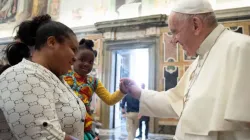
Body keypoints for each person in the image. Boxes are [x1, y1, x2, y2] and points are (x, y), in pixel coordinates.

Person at [119, 0, 250, 140]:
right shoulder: (199, 61)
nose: (173, 41)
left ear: (196, 25)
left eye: (175, 32)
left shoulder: (241, 49)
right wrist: (139, 93)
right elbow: (175, 101)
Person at [0, 14, 86, 140]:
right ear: (52, 42)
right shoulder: (23, 75)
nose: (75, 58)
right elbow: (44, 137)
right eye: (73, 49)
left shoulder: (53, 77)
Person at [64, 39, 125, 140]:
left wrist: (122, 91)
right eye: (82, 60)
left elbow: (109, 99)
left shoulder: (94, 81)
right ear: (73, 59)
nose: (87, 64)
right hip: (64, 126)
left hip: (84, 127)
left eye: (90, 62)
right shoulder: (63, 75)